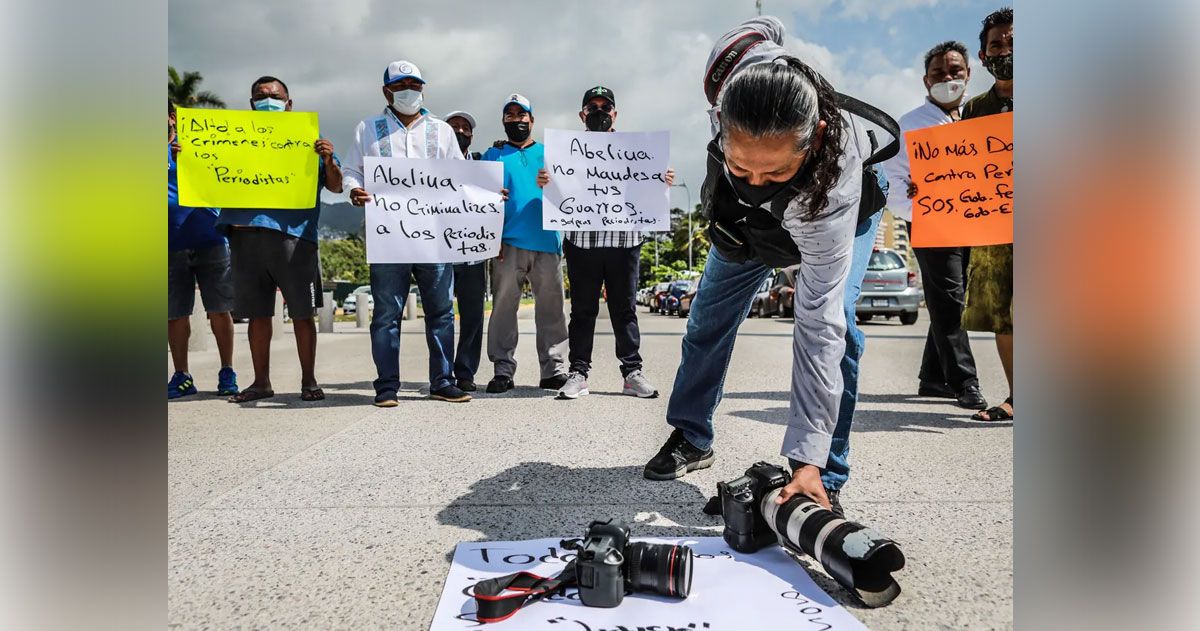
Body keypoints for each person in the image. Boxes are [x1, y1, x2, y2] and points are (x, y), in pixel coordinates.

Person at [642, 16, 893, 517]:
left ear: (815, 137)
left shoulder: (834, 173)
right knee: (707, 318)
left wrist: (804, 459)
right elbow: (767, 24)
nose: (757, 179)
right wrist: (748, 184)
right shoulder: (726, 66)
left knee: (838, 331)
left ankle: (824, 471)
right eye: (740, 166)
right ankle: (692, 435)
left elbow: (817, 324)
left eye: (776, 169)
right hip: (745, 227)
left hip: (827, 209)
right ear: (719, 119)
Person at [341, 61, 471, 407]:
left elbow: (459, 176)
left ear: (423, 89)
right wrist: (354, 190)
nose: (409, 91)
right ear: (387, 92)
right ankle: (386, 386)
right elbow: (352, 171)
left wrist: (485, 197)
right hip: (389, 238)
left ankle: (442, 381)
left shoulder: (441, 131)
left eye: (414, 84)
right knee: (386, 314)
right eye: (401, 86)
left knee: (441, 311)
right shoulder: (367, 128)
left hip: (434, 237)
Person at [216, 76, 342, 403]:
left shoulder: (309, 142)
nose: (267, 100)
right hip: (245, 238)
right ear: (251, 103)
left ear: (289, 104)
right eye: (260, 95)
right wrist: (187, 157)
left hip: (294, 240)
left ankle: (309, 380)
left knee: (302, 313)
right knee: (257, 315)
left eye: (274, 96)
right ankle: (260, 382)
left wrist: (328, 159)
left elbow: (336, 186)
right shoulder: (230, 140)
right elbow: (206, 174)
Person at [537, 86, 666, 400]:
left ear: (615, 114)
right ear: (582, 114)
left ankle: (632, 373)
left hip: (624, 241)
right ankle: (579, 372)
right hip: (582, 242)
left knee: (625, 310)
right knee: (582, 311)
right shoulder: (567, 152)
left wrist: (662, 178)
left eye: (605, 107)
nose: (598, 112)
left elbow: (648, 188)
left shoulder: (636, 151)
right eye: (591, 107)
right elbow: (557, 192)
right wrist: (547, 182)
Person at [882, 41, 988, 410]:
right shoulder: (909, 126)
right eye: (939, 73)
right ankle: (964, 382)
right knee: (949, 299)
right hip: (932, 223)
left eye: (955, 71)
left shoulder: (979, 118)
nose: (948, 78)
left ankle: (933, 378)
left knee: (951, 298)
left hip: (975, 222)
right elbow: (893, 182)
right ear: (925, 80)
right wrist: (917, 202)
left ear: (968, 74)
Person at [481, 94, 570, 394]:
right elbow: (478, 201)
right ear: (504, 121)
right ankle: (503, 369)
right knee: (504, 307)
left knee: (552, 308)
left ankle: (553, 369)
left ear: (532, 120)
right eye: (510, 115)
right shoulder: (491, 156)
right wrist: (490, 239)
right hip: (506, 244)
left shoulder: (552, 154)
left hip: (547, 241)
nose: (516, 119)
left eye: (522, 115)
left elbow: (574, 191)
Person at [962, 7, 1014, 422]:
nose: (1005, 50)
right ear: (983, 56)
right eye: (996, 44)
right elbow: (962, 171)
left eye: (1014, 42)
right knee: (1004, 314)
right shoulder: (975, 109)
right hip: (995, 229)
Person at [167, 101, 237, 399]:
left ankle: (227, 371)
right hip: (168, 244)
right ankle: (182, 375)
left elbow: (229, 174)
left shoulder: (198, 142)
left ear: (171, 118)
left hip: (211, 240)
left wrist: (188, 157)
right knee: (174, 314)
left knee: (219, 310)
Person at [444, 110, 486, 391]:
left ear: (471, 134)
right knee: (441, 315)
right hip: (441, 253)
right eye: (454, 127)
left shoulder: (484, 165)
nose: (460, 131)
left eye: (465, 127)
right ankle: (443, 372)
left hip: (473, 252)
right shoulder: (430, 164)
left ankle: (466, 372)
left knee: (472, 316)